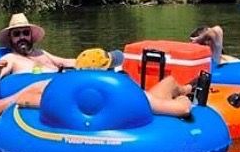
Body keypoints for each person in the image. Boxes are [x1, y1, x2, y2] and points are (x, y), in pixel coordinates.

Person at [63, 47, 204, 118]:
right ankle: (187, 91)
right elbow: (182, 110)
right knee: (170, 82)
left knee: (170, 81)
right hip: (144, 108)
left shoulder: (68, 92)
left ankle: (186, 87)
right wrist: (184, 100)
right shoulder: (124, 92)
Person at [0, 14, 75, 82]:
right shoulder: (11, 58)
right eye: (16, 34)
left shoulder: (41, 53)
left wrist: (85, 60)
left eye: (25, 33)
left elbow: (65, 62)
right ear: (10, 38)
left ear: (30, 35)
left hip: (62, 83)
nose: (22, 37)